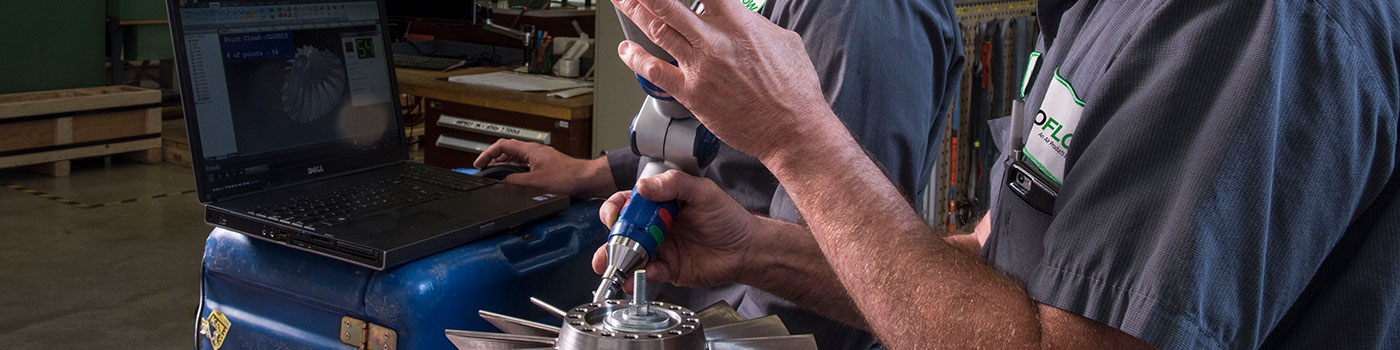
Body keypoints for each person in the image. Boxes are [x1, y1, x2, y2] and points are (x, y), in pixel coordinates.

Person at [598, 0, 1400, 348]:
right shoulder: (1096, 17)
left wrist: (798, 138)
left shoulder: (1235, 19)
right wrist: (755, 249)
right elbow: (1003, 277)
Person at [475, 0, 962, 348]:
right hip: (695, 306)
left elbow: (827, 303)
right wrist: (590, 171)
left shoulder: (859, 18)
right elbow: (713, 139)